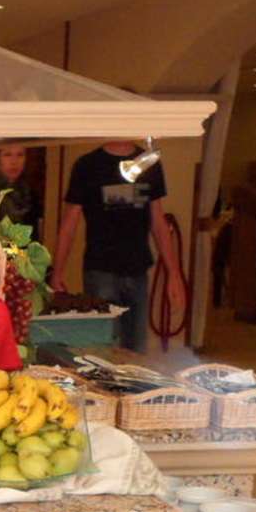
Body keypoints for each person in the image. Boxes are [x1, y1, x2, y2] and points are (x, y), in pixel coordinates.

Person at [51, 141, 185, 354]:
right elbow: (69, 222)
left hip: (137, 269)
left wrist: (174, 274)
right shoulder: (87, 165)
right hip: (101, 269)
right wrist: (57, 272)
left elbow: (158, 221)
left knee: (135, 349)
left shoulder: (148, 163)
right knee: (103, 349)